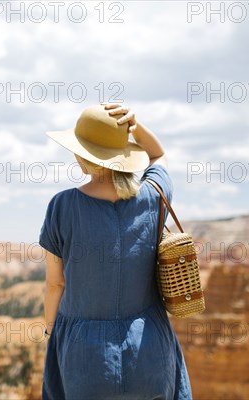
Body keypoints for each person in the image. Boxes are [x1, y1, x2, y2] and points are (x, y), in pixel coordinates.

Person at [39, 103, 192, 399]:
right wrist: (135, 126)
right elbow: (159, 155)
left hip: (85, 357)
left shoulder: (62, 206)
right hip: (150, 350)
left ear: (81, 155)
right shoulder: (153, 195)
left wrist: (50, 331)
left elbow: (55, 284)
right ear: (123, 156)